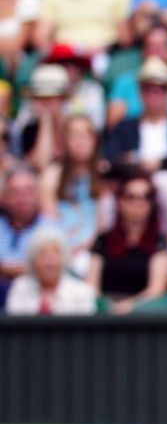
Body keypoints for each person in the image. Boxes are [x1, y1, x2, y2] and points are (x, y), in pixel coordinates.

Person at [86, 172, 167, 313]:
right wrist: (107, 306)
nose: (138, 202)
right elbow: (91, 285)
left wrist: (127, 306)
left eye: (146, 196)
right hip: (103, 313)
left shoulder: (159, 242)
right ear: (119, 201)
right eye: (131, 196)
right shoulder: (103, 240)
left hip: (141, 314)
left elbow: (156, 290)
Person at [105, 58, 167, 182]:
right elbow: (112, 161)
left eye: (162, 88)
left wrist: (137, 160)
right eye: (148, 87)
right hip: (130, 187)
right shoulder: (124, 129)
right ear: (140, 92)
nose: (155, 93)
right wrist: (165, 159)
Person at [38, 115, 103, 274]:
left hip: (92, 249)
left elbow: (102, 224)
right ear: (64, 141)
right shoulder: (52, 174)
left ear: (95, 141)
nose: (80, 142)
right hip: (58, 246)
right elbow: (49, 219)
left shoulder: (103, 175)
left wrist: (84, 247)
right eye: (74, 135)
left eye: (85, 136)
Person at [106, 24, 167, 128]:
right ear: (143, 51)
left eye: (162, 47)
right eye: (152, 46)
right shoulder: (125, 82)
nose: (156, 52)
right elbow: (113, 121)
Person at [5, 225, 96, 315]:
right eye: (43, 254)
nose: (49, 261)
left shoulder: (81, 292)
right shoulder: (20, 287)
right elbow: (13, 321)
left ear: (64, 258)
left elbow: (86, 323)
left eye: (55, 254)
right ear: (33, 260)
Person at [0, 166, 57, 306]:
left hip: (34, 298)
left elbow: (51, 268)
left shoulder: (51, 228)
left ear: (38, 194)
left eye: (29, 191)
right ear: (4, 196)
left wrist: (4, 269)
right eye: (15, 192)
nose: (23, 198)